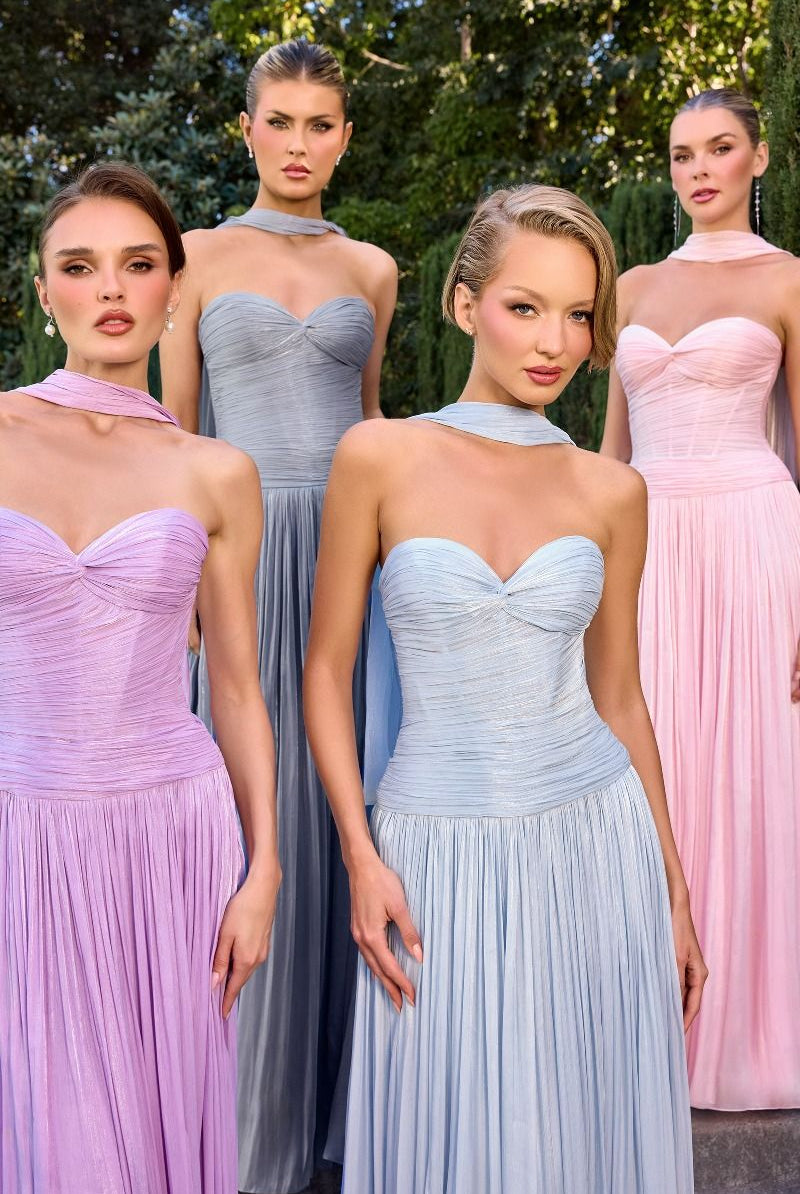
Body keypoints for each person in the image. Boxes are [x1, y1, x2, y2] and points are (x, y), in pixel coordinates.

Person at [304, 183, 702, 1194]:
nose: (554, 342)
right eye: (525, 307)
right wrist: (359, 854)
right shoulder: (379, 455)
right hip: (431, 843)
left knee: (579, 1132)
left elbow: (620, 697)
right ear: (463, 303)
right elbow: (324, 671)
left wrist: (673, 891)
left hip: (593, 839)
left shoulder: (612, 490)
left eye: (578, 314)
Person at [0, 162, 281, 1193]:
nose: (111, 289)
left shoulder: (217, 472)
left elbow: (239, 688)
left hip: (171, 833)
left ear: (174, 287)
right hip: (22, 828)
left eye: (138, 264)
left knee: (156, 1130)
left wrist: (264, 869)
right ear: (43, 292)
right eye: (80, 267)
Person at [159, 37, 397, 1194]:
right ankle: (239, 1133)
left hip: (351, 559)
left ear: (343, 138)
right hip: (238, 555)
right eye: (280, 121)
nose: (298, 144)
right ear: (245, 129)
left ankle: (344, 1118)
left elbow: (374, 426)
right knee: (247, 816)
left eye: (320, 124)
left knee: (348, 804)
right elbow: (172, 430)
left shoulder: (374, 269)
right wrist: (180, 589)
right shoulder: (194, 257)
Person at [601, 86, 800, 1110]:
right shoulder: (631, 287)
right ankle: (645, 1025)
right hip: (647, 542)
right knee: (654, 756)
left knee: (752, 767)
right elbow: (607, 454)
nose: (698, 170)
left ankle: (753, 1031)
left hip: (753, 538)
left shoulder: (789, 279)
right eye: (681, 155)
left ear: (757, 158)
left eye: (719, 149)